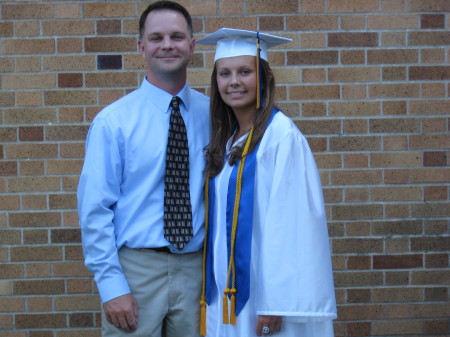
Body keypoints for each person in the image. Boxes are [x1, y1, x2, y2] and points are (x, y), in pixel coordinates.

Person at [77, 1, 209, 336]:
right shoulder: (114, 122)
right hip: (135, 270)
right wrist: (111, 284)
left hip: (198, 270)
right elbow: (95, 209)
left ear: (192, 46)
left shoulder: (214, 116)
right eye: (157, 37)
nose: (167, 45)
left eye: (177, 36)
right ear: (141, 47)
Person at [196, 28, 337, 337]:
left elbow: (293, 224)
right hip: (228, 294)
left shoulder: (281, 138)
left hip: (266, 300)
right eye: (225, 73)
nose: (234, 81)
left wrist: (276, 303)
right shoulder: (230, 139)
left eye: (245, 72)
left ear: (264, 78)